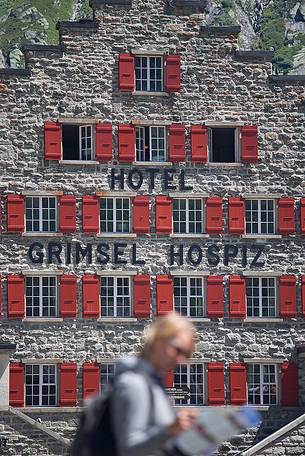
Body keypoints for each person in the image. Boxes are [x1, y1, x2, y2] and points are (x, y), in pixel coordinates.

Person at [111, 313, 198, 456]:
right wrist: (170, 430)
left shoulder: (154, 384)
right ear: (158, 341)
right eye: (177, 350)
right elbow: (128, 448)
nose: (180, 360)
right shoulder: (135, 383)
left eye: (186, 355)